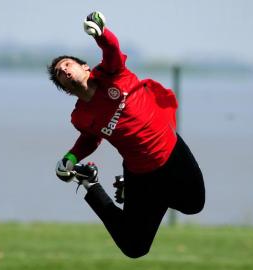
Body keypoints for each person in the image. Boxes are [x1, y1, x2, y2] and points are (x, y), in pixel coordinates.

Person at [47, 11, 205, 258]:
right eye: (59, 73)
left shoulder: (113, 73)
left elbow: (111, 49)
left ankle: (131, 190)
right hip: (140, 172)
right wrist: (70, 158)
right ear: (66, 90)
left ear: (85, 67)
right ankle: (91, 183)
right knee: (134, 247)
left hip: (170, 151)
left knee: (194, 205)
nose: (64, 70)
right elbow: (90, 139)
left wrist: (101, 33)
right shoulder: (80, 117)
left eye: (67, 64)